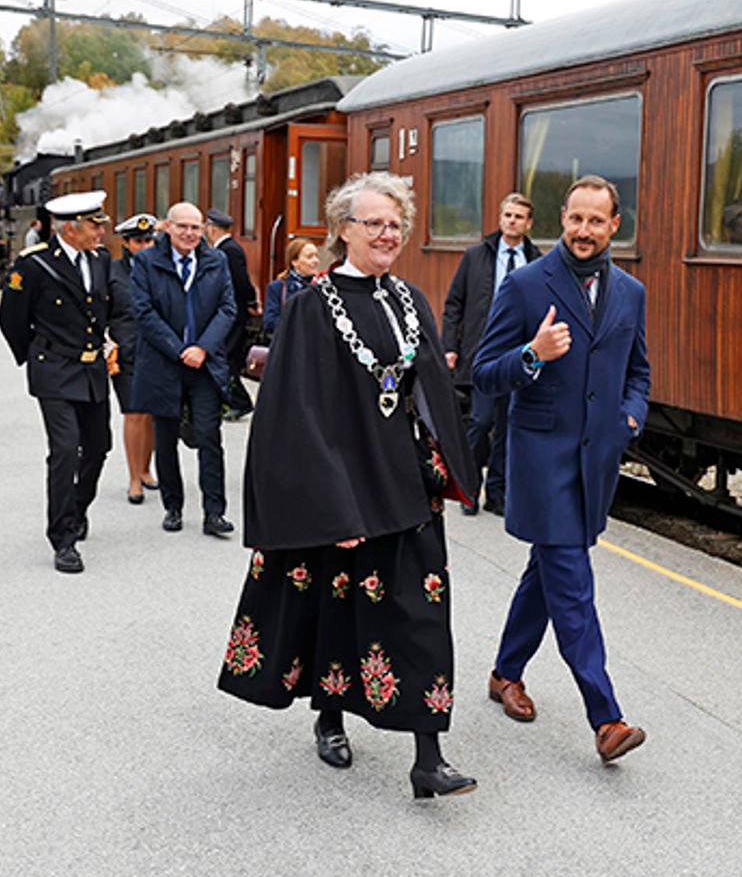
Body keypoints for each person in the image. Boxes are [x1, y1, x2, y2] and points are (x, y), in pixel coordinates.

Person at [218, 171, 480, 799]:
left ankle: (427, 757)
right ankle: (330, 717)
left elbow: (430, 393)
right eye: (374, 224)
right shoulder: (313, 304)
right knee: (336, 610)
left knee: (421, 613)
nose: (387, 234)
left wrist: (448, 461)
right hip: (340, 483)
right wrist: (331, 502)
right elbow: (297, 409)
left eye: (395, 225)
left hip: (404, 481)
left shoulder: (411, 300)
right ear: (343, 230)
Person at [472, 174, 651, 765]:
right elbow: (485, 371)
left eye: (595, 221)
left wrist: (629, 419)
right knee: (572, 585)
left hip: (596, 462)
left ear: (613, 226)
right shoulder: (526, 285)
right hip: (542, 460)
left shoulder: (631, 292)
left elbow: (638, 374)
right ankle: (606, 718)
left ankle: (505, 673)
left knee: (545, 574)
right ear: (563, 219)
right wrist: (532, 355)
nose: (583, 230)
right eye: (575, 219)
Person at [0, 190, 120, 574]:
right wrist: (35, 356)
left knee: (99, 447)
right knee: (66, 450)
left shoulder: (100, 260)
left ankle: (78, 506)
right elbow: (11, 319)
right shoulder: (34, 265)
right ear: (71, 228)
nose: (101, 232)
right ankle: (63, 537)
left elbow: (102, 310)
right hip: (54, 369)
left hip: (91, 368)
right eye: (94, 226)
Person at [130, 201, 237, 538]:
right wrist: (180, 350)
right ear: (168, 227)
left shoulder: (216, 261)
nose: (190, 233)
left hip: (204, 365)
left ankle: (214, 512)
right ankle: (173, 507)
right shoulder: (147, 262)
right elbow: (144, 312)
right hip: (164, 364)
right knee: (165, 440)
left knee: (209, 436)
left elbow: (227, 307)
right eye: (183, 227)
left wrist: (202, 347)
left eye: (196, 227)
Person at [441, 192, 540, 516]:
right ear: (501, 218)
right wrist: (450, 347)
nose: (512, 220)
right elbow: (454, 303)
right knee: (481, 421)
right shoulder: (476, 256)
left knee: (508, 424)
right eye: (507, 215)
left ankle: (497, 494)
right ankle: (468, 491)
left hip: (518, 354)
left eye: (519, 216)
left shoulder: (537, 260)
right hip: (483, 352)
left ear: (528, 223)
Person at [109, 213, 160, 504]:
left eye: (150, 240)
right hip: (126, 350)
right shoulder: (113, 271)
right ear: (126, 243)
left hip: (155, 350)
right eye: (139, 241)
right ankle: (133, 479)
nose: (146, 245)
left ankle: (145, 469)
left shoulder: (160, 270)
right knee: (133, 412)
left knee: (150, 413)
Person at [204, 207, 257, 420]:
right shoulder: (227, 248)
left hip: (233, 313)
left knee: (226, 358)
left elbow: (240, 280)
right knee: (226, 357)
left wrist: (251, 300)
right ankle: (230, 400)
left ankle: (240, 402)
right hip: (230, 312)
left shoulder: (229, 250)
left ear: (213, 229)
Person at [261, 237, 321, 339]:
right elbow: (270, 322)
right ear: (294, 261)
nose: (315, 261)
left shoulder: (322, 286)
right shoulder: (277, 287)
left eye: (316, 256)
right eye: (309, 257)